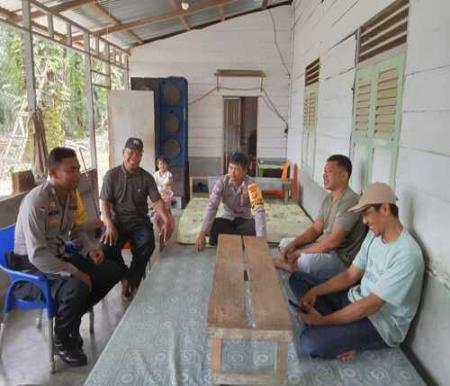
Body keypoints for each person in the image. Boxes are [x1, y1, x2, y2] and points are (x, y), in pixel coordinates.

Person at [289, 182, 425, 361]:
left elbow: (371, 305)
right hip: (356, 300)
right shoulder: (373, 236)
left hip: (378, 324)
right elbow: (350, 275)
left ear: (385, 209)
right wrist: (315, 291)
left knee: (309, 342)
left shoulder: (407, 254)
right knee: (298, 279)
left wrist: (324, 321)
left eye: (367, 213)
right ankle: (335, 329)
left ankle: (334, 330)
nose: (364, 221)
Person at [13, 147, 122, 367]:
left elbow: (77, 231)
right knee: (78, 286)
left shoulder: (70, 196)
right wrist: (76, 272)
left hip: (58, 257)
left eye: (78, 169)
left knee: (111, 270)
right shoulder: (37, 203)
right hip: (32, 270)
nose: (78, 174)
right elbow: (37, 255)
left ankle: (69, 323)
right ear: (53, 173)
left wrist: (91, 248)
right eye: (71, 170)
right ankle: (62, 339)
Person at [100, 137, 173, 301]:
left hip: (139, 221)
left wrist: (167, 219)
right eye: (130, 153)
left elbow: (157, 202)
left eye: (138, 154)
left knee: (148, 243)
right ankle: (125, 276)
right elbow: (104, 204)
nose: (134, 157)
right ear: (123, 153)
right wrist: (109, 224)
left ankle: (131, 280)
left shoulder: (146, 177)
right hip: (116, 222)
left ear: (141, 156)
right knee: (105, 249)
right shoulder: (111, 176)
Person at [273, 154, 366, 280]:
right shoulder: (329, 198)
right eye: (324, 172)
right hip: (324, 247)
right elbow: (316, 229)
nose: (324, 175)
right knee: (285, 244)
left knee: (306, 261)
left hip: (341, 259)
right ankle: (296, 265)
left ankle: (291, 266)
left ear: (344, 175)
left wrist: (300, 252)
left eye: (330, 171)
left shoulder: (350, 201)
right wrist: (294, 244)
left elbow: (333, 242)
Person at [195, 152, 266, 251]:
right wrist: (202, 232)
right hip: (227, 219)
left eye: (237, 169)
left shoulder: (251, 185)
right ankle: (239, 240)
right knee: (213, 226)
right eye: (230, 168)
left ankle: (229, 240)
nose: (232, 173)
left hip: (244, 220)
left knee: (254, 228)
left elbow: (259, 210)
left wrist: (261, 239)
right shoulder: (221, 182)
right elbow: (212, 206)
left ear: (245, 171)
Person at [152, 156, 175, 248]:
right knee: (158, 214)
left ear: (168, 165)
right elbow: (152, 184)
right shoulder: (155, 174)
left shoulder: (169, 174)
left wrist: (161, 188)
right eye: (161, 164)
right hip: (158, 197)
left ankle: (169, 225)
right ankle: (161, 229)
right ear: (158, 165)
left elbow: (167, 184)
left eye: (165, 164)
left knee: (167, 212)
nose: (163, 166)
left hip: (166, 196)